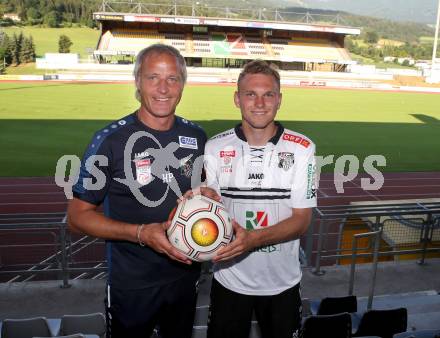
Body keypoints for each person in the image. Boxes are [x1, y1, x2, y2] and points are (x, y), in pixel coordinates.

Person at [67, 44, 209, 338]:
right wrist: (142, 233)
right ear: (137, 82)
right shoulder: (110, 141)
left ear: (182, 84)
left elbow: (200, 194)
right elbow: (77, 218)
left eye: (172, 78)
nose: (163, 88)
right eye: (152, 77)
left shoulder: (196, 136)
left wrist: (208, 199)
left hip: (185, 278)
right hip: (131, 285)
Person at [204, 60, 318, 338]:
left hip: (282, 284)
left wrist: (253, 239)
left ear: (279, 100)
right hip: (228, 281)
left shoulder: (303, 148)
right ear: (237, 99)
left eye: (268, 94)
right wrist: (199, 200)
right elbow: (212, 205)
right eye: (250, 94)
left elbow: (302, 221)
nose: (259, 102)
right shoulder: (215, 146)